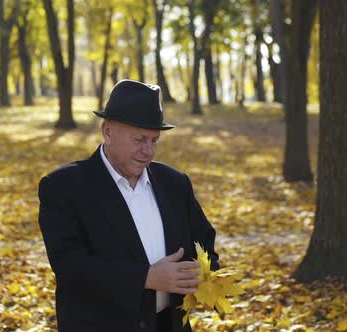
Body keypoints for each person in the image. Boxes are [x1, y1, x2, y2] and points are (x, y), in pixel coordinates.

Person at [38, 79, 219, 332]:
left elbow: (205, 244)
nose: (148, 151)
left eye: (154, 141)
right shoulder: (63, 187)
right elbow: (70, 266)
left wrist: (202, 275)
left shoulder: (175, 183)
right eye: (140, 139)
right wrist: (146, 278)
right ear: (108, 131)